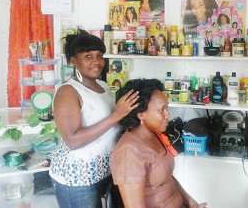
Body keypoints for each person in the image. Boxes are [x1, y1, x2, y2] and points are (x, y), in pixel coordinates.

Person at [49, 29, 139, 208]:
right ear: (74, 61)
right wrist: (117, 115)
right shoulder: (68, 91)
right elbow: (73, 140)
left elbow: (111, 126)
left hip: (103, 170)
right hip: (76, 177)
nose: (96, 62)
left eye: (99, 55)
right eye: (88, 56)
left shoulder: (104, 86)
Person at [110, 78, 207, 208]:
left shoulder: (155, 134)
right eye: (161, 110)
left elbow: (167, 178)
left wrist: (193, 204)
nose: (168, 115)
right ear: (140, 115)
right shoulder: (129, 152)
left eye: (167, 108)